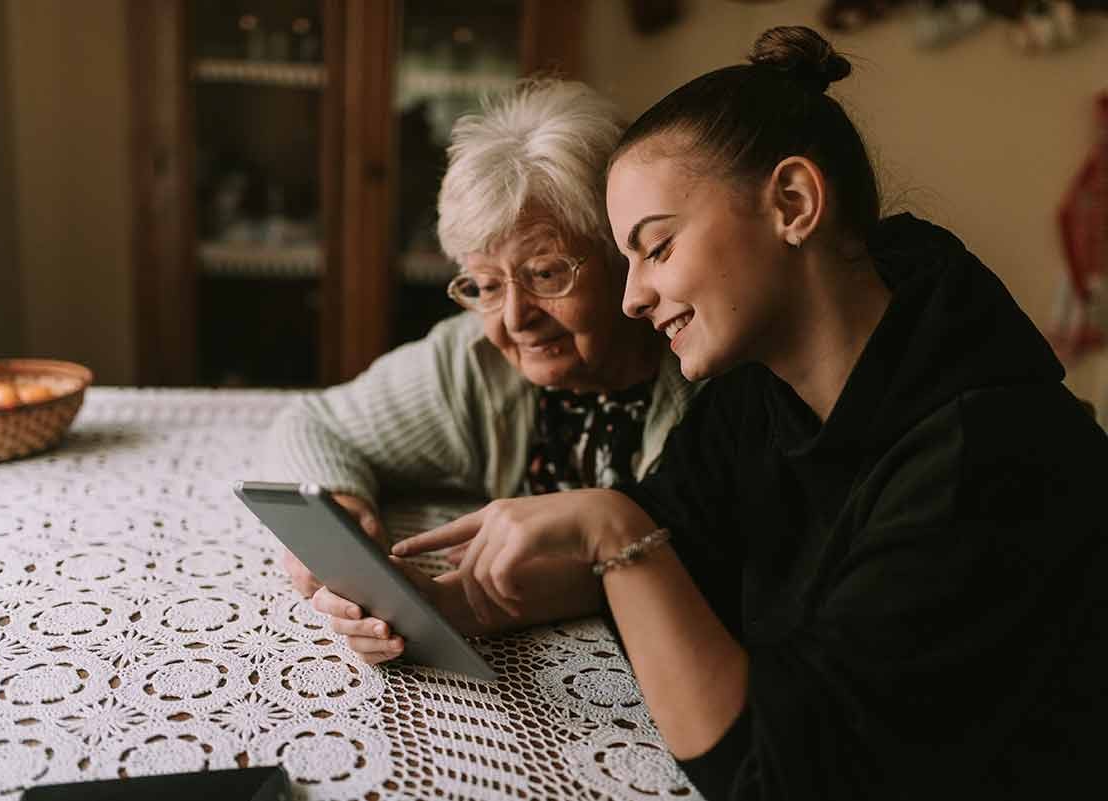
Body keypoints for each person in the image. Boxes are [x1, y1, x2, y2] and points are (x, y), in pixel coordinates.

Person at [371, 26, 1108, 800]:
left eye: (655, 248)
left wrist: (615, 529)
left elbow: (777, 776)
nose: (631, 297)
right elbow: (672, 545)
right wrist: (434, 602)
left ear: (793, 203)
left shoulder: (989, 458)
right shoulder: (759, 390)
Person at [265, 79, 697, 662]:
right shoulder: (472, 362)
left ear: (624, 252)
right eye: (486, 286)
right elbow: (312, 423)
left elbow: (703, 555)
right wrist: (344, 517)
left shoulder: (703, 374)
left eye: (546, 274)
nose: (515, 318)